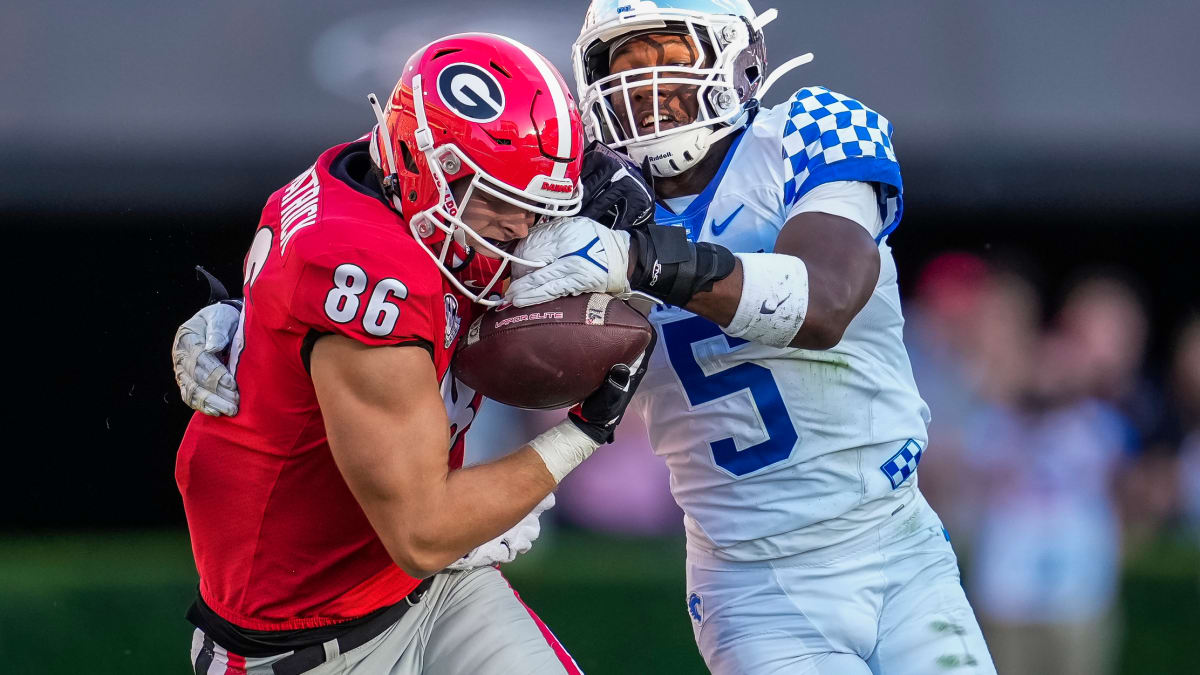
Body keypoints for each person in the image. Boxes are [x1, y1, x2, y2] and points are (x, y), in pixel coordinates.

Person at [175, 2, 996, 672]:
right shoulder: (564, 197)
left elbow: (823, 301)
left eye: (668, 54)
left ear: (738, 56)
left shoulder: (808, 133)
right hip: (754, 571)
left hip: (896, 539)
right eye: (623, 64)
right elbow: (414, 240)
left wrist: (644, 259)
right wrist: (261, 323)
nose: (647, 85)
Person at [172, 33, 651, 675]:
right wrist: (586, 432)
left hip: (433, 590)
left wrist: (250, 322)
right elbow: (423, 532)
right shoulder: (366, 274)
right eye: (501, 203)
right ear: (426, 167)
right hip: (301, 639)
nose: (520, 230)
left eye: (538, 209)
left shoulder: (374, 175)